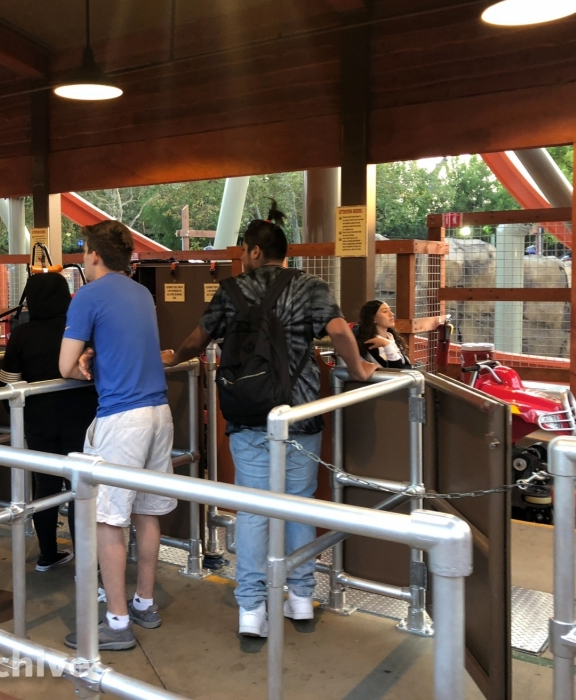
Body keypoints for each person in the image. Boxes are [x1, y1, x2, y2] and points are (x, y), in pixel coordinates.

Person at [165, 201, 377, 638]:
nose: (243, 257)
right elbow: (339, 331)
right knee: (297, 504)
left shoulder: (231, 290)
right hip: (298, 416)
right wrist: (357, 369)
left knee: (255, 510)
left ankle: (251, 609)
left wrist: (174, 356)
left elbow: (196, 339)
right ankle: (299, 598)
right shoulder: (310, 286)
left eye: (245, 250)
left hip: (247, 417)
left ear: (256, 251)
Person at [59, 220, 176, 652]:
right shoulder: (141, 292)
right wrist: (99, 352)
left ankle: (117, 621)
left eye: (82, 249)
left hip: (122, 418)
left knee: (109, 520)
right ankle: (144, 603)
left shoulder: (88, 295)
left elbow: (64, 365)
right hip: (159, 412)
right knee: (147, 513)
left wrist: (85, 359)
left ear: (93, 254)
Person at [0, 272, 98, 572]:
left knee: (47, 489)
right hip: (80, 421)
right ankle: (86, 560)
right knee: (81, 490)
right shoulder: (78, 332)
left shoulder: (22, 334)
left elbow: (9, 385)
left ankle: (47, 554)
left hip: (39, 423)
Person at [354, 300, 413, 370]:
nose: (391, 314)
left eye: (390, 310)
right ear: (373, 318)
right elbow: (396, 371)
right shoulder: (370, 344)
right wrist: (387, 345)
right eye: (385, 311)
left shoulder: (392, 338)